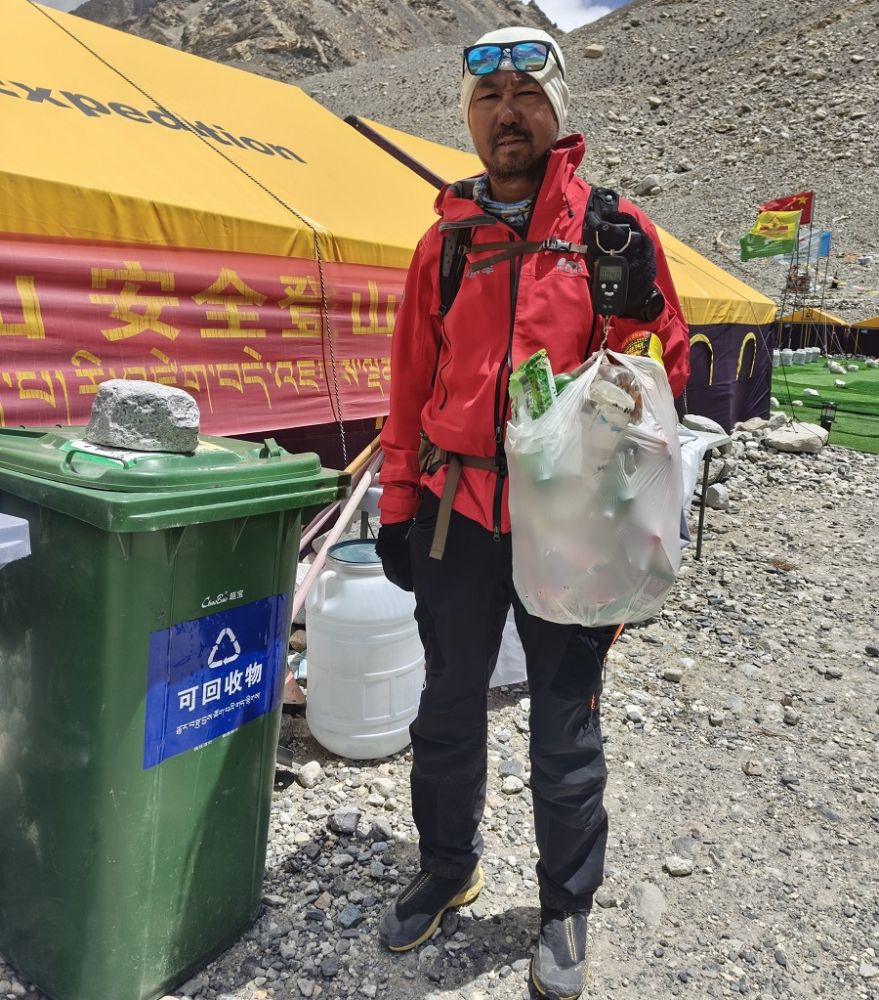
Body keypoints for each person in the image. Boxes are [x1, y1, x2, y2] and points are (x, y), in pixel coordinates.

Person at [374, 25, 689, 1000]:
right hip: (455, 516)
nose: (506, 111)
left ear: (557, 110)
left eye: (525, 92)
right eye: (488, 97)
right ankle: (446, 863)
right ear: (469, 117)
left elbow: (656, 383)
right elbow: (408, 385)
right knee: (447, 709)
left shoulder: (609, 232)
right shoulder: (446, 242)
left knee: (562, 725)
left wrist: (634, 309)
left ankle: (564, 906)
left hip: (573, 524)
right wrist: (395, 501)